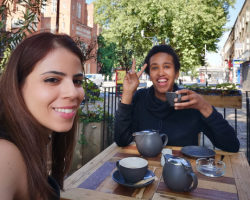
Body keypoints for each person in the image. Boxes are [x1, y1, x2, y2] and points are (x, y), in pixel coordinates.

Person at [0, 32, 85, 200]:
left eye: (77, 81)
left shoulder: (31, 142)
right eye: (52, 79)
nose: (73, 92)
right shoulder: (5, 154)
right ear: (17, 86)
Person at [114, 45, 239, 153]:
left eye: (167, 66)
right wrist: (127, 93)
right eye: (155, 67)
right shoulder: (140, 98)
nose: (161, 73)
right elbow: (121, 140)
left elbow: (231, 146)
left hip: (181, 175)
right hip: (146, 173)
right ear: (149, 75)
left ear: (176, 73)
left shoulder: (190, 102)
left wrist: (204, 106)